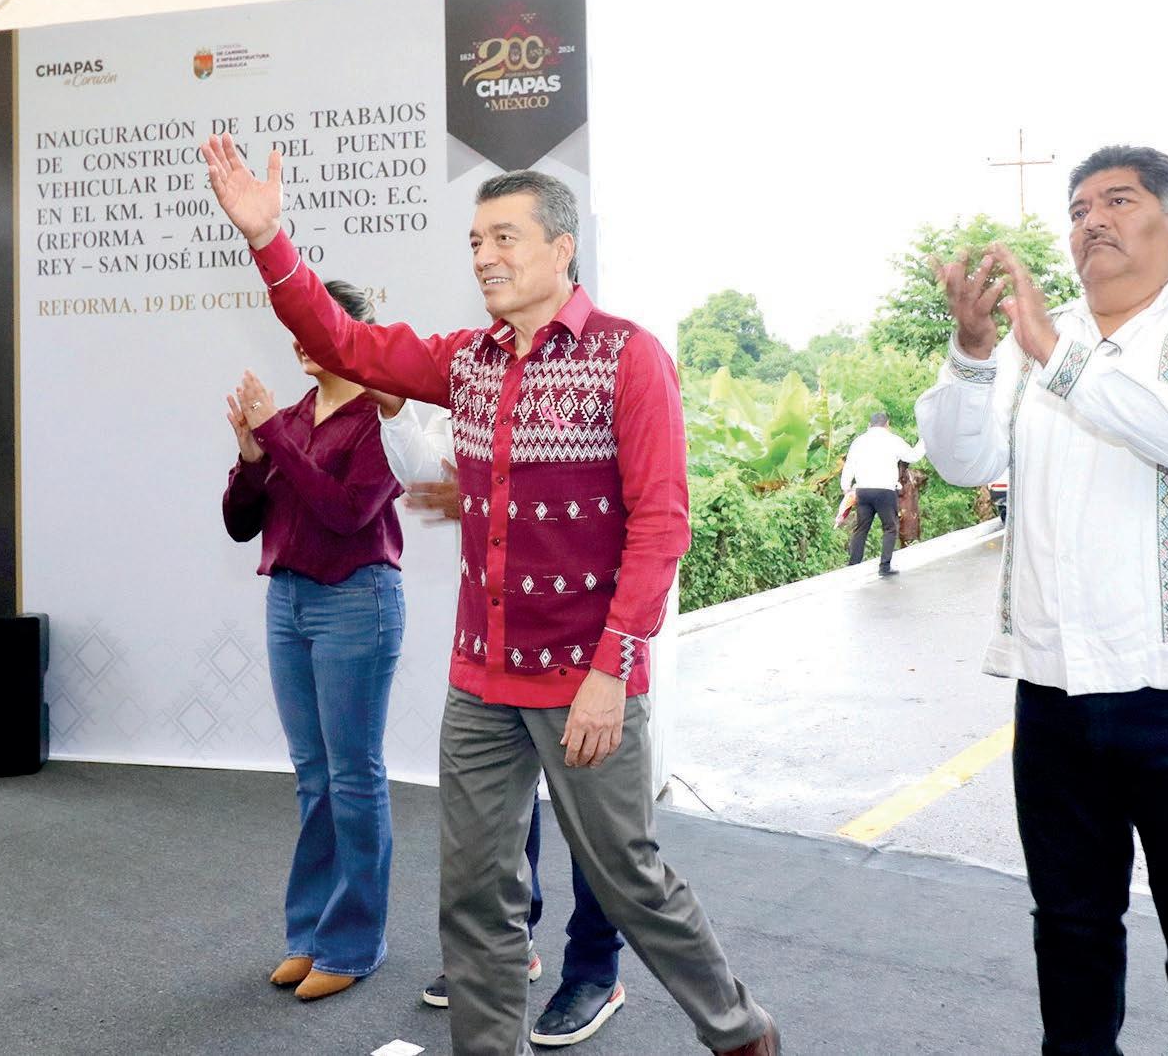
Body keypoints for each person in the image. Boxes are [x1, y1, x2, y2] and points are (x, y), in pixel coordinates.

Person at [201, 133, 780, 1056]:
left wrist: (610, 670)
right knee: (473, 894)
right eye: (475, 241)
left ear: (562, 247)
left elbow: (660, 527)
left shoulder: (629, 358)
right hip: (479, 679)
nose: (483, 256)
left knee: (628, 879)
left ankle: (740, 1030)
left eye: (504, 237)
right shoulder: (466, 361)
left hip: (587, 676)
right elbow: (343, 340)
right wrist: (269, 239)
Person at [916, 145, 1168, 1054]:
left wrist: (1054, 354)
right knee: (1071, 931)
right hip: (1055, 691)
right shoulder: (1037, 341)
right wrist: (975, 352)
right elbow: (962, 462)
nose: (1092, 221)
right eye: (1079, 209)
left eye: (1117, 201)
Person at [367, 392, 628, 1047]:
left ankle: (596, 971)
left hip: (584, 635)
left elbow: (645, 507)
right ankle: (514, 947)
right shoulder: (479, 370)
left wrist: (617, 657)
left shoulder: (612, 362)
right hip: (500, 634)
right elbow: (428, 475)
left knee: (594, 820)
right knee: (505, 810)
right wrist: (394, 409)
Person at [221, 280, 406, 1002]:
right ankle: (309, 936)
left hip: (356, 601)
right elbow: (241, 523)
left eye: (313, 324)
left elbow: (345, 513)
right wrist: (249, 457)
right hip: (288, 601)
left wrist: (272, 437)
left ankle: (353, 944)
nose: (299, 337)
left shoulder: (378, 418)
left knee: (354, 776)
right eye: (295, 325)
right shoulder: (293, 416)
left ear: (350, 334)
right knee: (314, 776)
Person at [836, 411, 925, 576]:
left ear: (869, 425)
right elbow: (913, 456)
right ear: (887, 425)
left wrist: (846, 486)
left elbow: (849, 465)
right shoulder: (892, 440)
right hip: (885, 491)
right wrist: (924, 440)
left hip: (863, 490)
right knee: (890, 528)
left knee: (861, 528)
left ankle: (853, 566)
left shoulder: (859, 441)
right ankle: (884, 566)